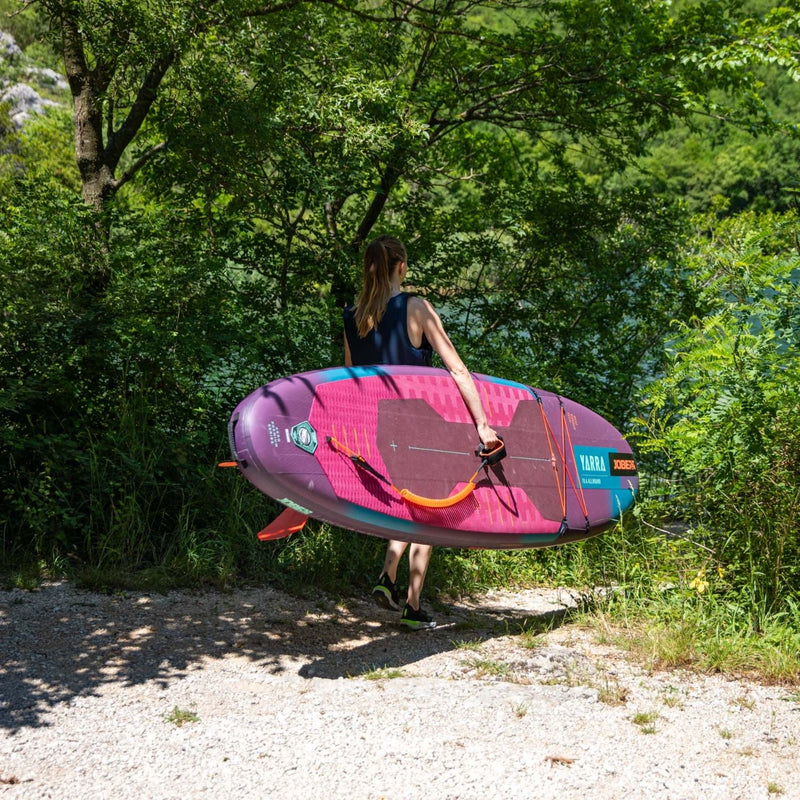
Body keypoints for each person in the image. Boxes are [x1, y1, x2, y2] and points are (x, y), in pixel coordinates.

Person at [344, 234, 501, 630]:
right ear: (402, 266)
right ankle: (412, 607)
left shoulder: (352, 316)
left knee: (406, 505)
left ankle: (387, 578)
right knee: (430, 513)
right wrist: (483, 425)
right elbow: (457, 368)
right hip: (418, 427)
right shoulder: (416, 308)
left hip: (378, 430)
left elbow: (349, 382)